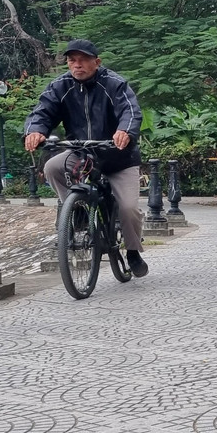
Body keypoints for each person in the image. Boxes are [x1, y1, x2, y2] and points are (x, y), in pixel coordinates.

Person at [24, 39, 149, 278]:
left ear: (97, 62)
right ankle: (78, 210)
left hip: (118, 156)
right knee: (52, 167)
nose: (77, 65)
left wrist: (125, 131)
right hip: (82, 154)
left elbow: (130, 111)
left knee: (129, 208)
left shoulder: (114, 84)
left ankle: (132, 251)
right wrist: (35, 131)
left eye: (83, 60)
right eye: (72, 60)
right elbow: (42, 111)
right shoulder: (60, 86)